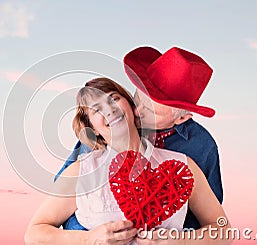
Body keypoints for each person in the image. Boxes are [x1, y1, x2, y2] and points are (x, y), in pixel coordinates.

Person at [25, 78, 231, 245]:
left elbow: (223, 230)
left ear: (131, 107)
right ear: (93, 128)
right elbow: (34, 234)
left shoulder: (182, 166)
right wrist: (88, 239)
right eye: (96, 109)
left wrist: (180, 241)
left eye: (114, 98)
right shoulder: (82, 171)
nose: (109, 109)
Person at [55, 46, 223, 230]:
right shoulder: (111, 127)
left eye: (150, 110)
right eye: (137, 100)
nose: (136, 111)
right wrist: (90, 237)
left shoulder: (200, 147)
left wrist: (175, 239)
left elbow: (210, 220)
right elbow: (66, 195)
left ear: (181, 118)